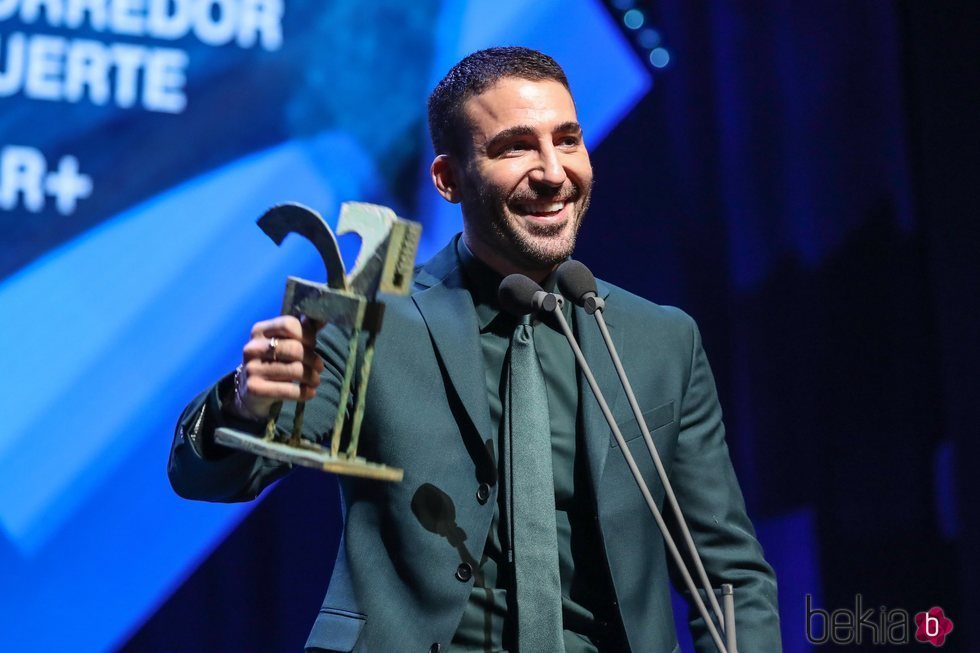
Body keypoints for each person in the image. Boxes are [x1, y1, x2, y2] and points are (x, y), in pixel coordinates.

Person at [169, 47, 781, 652]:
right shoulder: (372, 324)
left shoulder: (662, 341)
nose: (552, 171)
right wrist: (247, 407)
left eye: (567, 140)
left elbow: (728, 572)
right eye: (516, 146)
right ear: (447, 178)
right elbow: (215, 475)